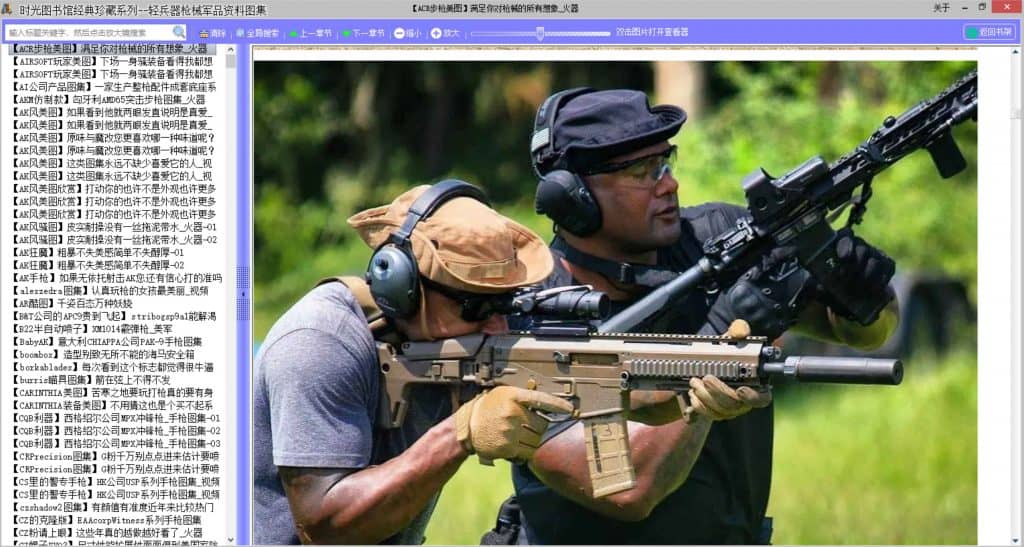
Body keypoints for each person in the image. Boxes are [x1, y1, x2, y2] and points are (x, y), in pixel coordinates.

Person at [504, 88, 899, 544]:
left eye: (665, 163)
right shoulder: (533, 316)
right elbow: (624, 489)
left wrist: (858, 291)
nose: (668, 184)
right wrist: (712, 350)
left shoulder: (717, 239)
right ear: (572, 199)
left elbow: (865, 334)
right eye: (641, 172)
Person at [253, 180, 576, 545]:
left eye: (506, 303)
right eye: (477, 307)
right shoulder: (318, 342)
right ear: (403, 287)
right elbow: (325, 529)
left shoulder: (442, 340)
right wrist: (459, 434)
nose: (499, 325)